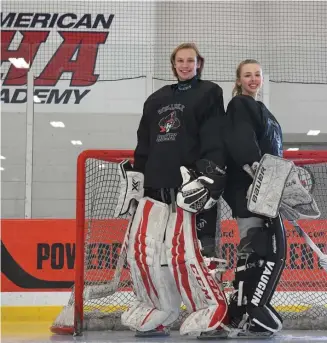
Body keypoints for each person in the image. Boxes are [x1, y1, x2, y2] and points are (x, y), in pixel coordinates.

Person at [114, 42, 228, 338]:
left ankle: (208, 310)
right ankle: (159, 309)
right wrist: (137, 182)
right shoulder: (155, 99)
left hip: (188, 192)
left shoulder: (209, 92)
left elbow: (214, 137)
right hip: (155, 191)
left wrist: (208, 177)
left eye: (191, 60)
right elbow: (144, 145)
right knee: (144, 254)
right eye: (180, 60)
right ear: (173, 64)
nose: (186, 65)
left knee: (189, 256)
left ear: (199, 63)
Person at [222, 59, 287, 337]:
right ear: (238, 81)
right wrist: (253, 168)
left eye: (257, 75)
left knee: (261, 249)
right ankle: (244, 311)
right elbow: (241, 139)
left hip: (265, 189)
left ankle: (246, 310)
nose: (252, 79)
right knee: (253, 247)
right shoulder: (240, 105)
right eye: (247, 75)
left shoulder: (263, 109)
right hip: (249, 189)